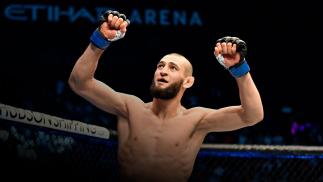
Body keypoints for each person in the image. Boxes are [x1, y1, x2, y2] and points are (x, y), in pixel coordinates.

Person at [68, 10, 264, 182]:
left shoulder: (197, 120)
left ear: (188, 82)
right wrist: (100, 40)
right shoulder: (130, 108)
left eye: (173, 68)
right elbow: (79, 83)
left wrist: (239, 69)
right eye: (160, 66)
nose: (163, 71)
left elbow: (253, 115)